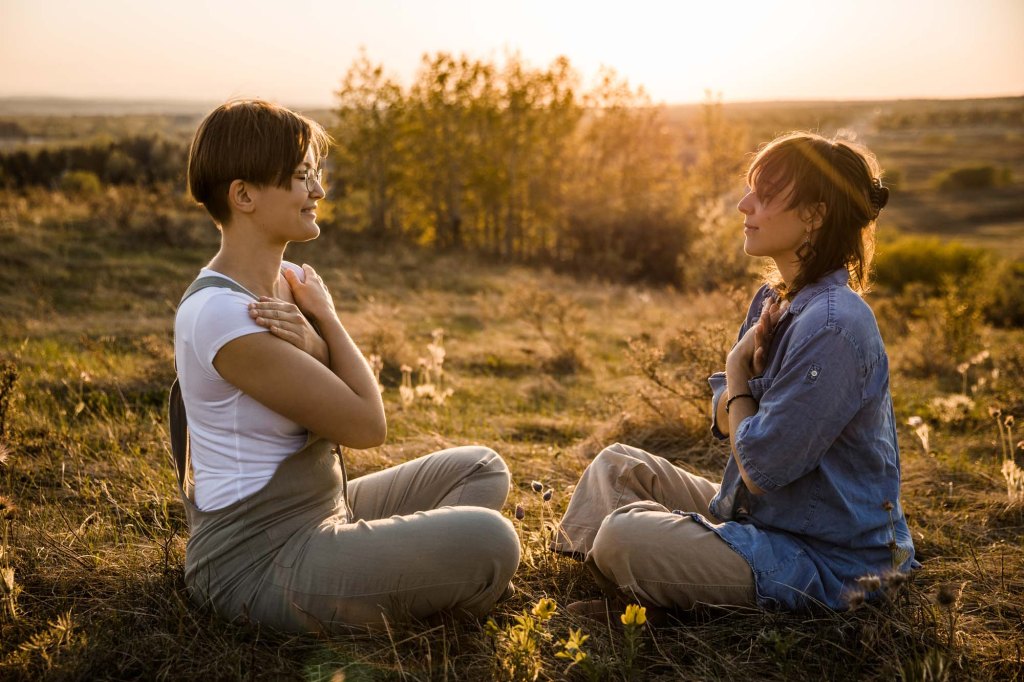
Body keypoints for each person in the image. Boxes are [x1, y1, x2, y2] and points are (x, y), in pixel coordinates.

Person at [170, 99, 519, 632]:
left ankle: (389, 575)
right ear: (243, 195)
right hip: (257, 561)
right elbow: (366, 425)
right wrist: (328, 325)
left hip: (322, 506)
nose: (318, 192)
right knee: (491, 541)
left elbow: (344, 391)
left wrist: (315, 336)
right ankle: (402, 585)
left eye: (315, 175)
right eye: (300, 177)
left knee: (480, 467)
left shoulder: (288, 280)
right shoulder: (221, 313)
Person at [552, 131, 917, 615]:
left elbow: (762, 465)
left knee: (625, 533)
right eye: (750, 190)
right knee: (617, 466)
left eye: (764, 196)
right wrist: (739, 391)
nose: (744, 205)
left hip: (827, 562)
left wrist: (737, 372)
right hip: (762, 522)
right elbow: (724, 416)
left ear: (815, 214)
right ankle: (612, 587)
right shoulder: (775, 299)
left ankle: (644, 601)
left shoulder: (836, 325)